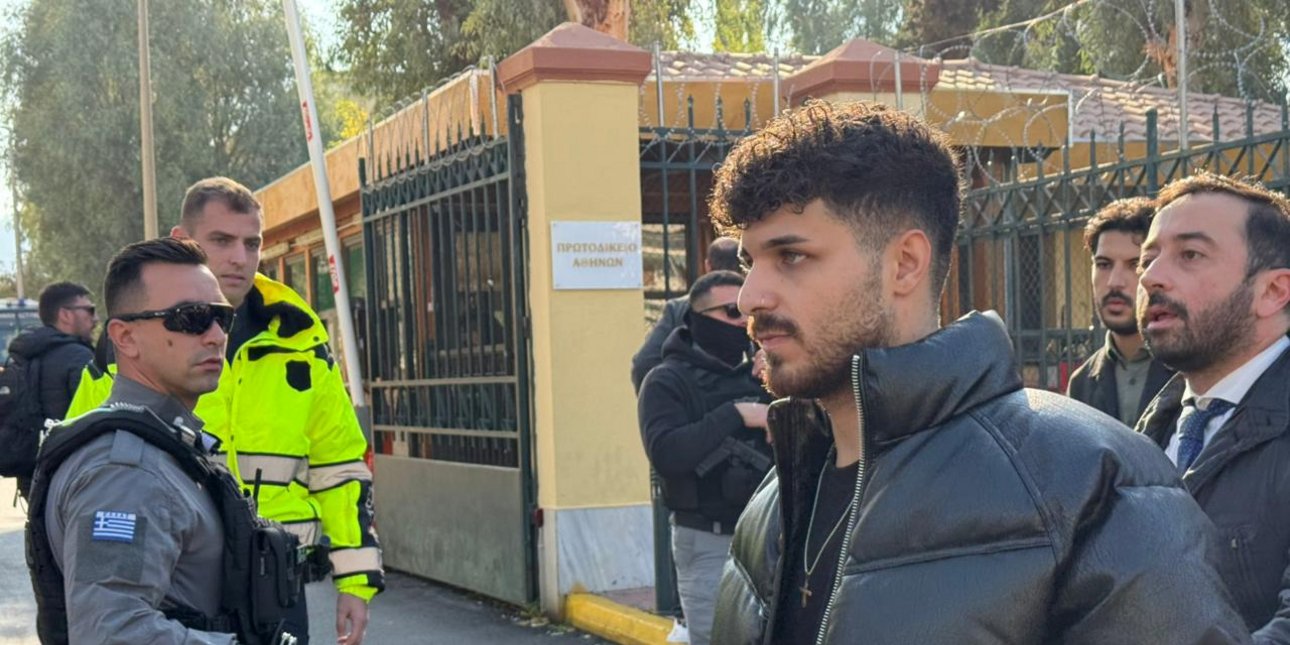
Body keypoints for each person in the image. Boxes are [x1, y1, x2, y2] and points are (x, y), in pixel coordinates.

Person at [707, 101, 1247, 643]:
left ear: (905, 264)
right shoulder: (778, 495)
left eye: (791, 256)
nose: (750, 296)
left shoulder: (1089, 487)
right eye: (750, 262)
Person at [68, 177, 382, 644]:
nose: (240, 257)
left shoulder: (300, 339)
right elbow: (82, 463)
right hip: (176, 584)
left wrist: (355, 582)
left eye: (252, 243)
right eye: (221, 240)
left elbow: (339, 467)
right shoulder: (135, 343)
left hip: (278, 582)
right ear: (182, 241)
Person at [25, 238, 299, 644]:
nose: (215, 335)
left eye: (222, 317)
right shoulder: (123, 471)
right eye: (191, 318)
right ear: (125, 337)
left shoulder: (167, 446)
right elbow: (111, 633)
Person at [1134, 172, 1290, 642]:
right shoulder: (1144, 435)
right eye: (1149, 257)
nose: (1151, 276)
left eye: (1191, 255)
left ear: (1273, 292)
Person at [637, 270, 773, 645]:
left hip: (768, 535)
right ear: (698, 319)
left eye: (748, 312)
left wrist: (781, 383)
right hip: (708, 540)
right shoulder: (665, 381)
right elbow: (667, 454)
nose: (743, 322)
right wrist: (735, 414)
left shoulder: (761, 374)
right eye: (731, 312)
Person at [1066, 197, 1174, 426]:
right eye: (1104, 265)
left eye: (1135, 264)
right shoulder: (1082, 383)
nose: (1115, 282)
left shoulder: (1193, 370)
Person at [1, 282, 95, 496]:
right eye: (89, 310)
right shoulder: (79, 357)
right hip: (74, 476)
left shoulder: (24, 354)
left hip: (31, 475)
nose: (95, 318)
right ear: (66, 315)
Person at [631, 237, 741, 391]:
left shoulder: (678, 308)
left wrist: (664, 398)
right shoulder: (759, 304)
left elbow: (644, 363)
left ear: (707, 265)